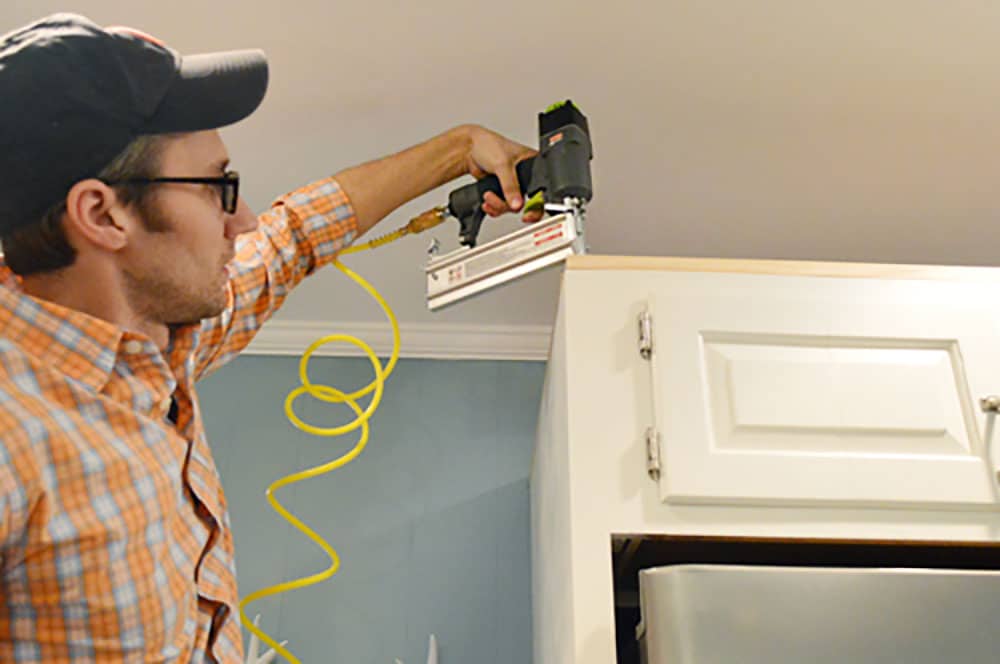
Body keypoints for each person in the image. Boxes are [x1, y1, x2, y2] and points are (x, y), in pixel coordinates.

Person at [0, 13, 539, 663]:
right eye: (218, 188)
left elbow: (291, 239)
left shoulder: (160, 336)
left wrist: (458, 149)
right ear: (102, 214)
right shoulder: (15, 432)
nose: (244, 219)